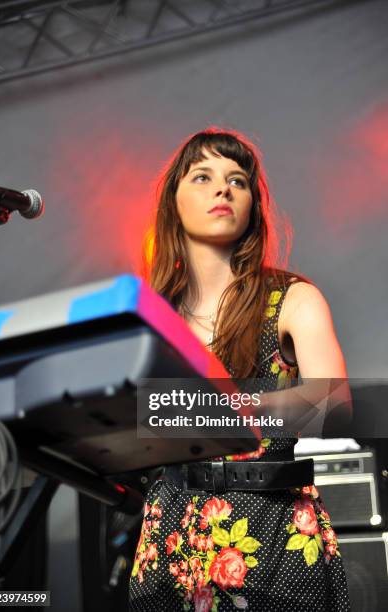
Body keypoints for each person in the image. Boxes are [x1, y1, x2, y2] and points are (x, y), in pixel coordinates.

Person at [129, 129, 351, 611]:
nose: (223, 189)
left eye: (238, 181)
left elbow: (334, 406)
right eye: (203, 176)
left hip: (274, 530)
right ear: (174, 202)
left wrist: (218, 408)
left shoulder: (292, 299)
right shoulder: (148, 318)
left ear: (251, 205)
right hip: (169, 532)